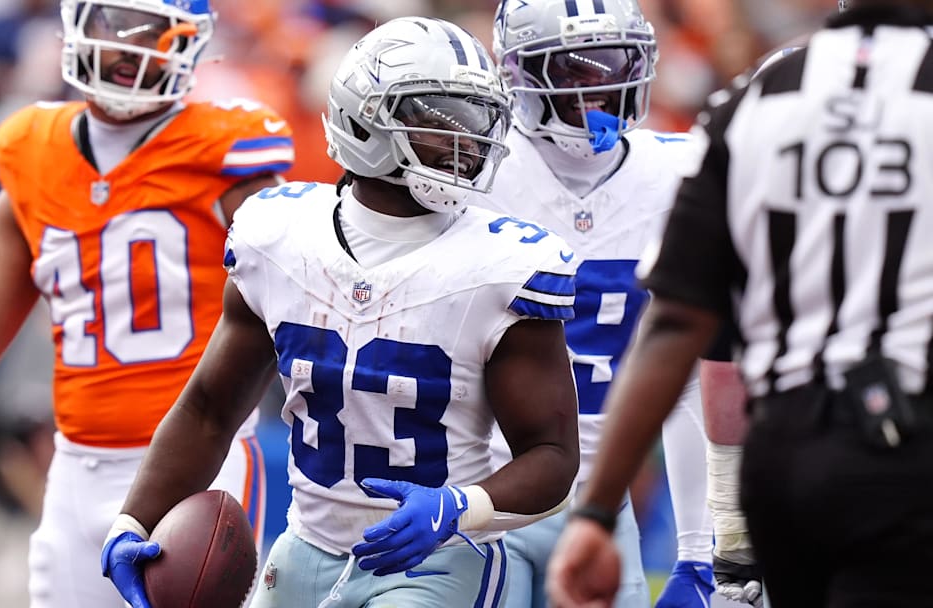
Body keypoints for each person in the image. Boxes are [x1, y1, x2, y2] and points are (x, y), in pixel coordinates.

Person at [100, 16, 581, 608]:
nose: (468, 139)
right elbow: (209, 409)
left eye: (478, 118)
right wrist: (135, 521)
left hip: (436, 561)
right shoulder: (278, 237)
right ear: (363, 120)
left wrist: (461, 506)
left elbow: (554, 457)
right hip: (304, 549)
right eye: (439, 116)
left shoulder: (502, 264)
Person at [0, 1, 294, 606]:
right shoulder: (32, 149)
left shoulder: (228, 151)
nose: (123, 47)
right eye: (110, 22)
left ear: (189, 42)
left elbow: (295, 302)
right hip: (73, 468)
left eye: (145, 29)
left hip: (197, 466)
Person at [546, 1, 933, 606]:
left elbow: (680, 321)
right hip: (911, 441)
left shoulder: (755, 97)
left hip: (785, 452)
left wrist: (597, 511)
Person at [483, 1, 728, 606]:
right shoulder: (473, 173)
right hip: (475, 496)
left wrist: (699, 553)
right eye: (571, 70)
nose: (599, 84)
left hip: (600, 501)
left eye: (615, 63)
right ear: (516, 72)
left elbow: (696, 375)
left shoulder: (679, 170)